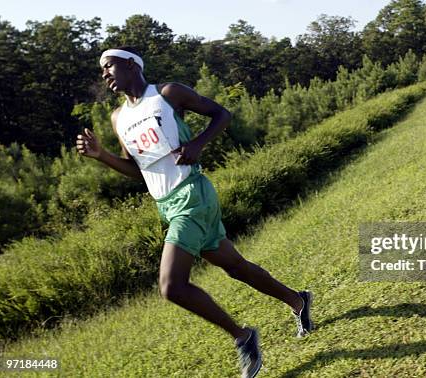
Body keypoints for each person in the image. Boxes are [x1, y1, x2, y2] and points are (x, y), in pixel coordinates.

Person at [76, 46, 314, 378]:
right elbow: (137, 169)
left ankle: (244, 337)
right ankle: (298, 301)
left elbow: (222, 114)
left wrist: (199, 143)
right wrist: (102, 155)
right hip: (167, 204)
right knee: (236, 267)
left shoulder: (167, 94)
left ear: (131, 65)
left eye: (109, 66)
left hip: (193, 194)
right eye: (101, 70)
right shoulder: (119, 118)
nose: (104, 74)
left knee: (171, 286)